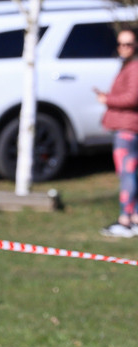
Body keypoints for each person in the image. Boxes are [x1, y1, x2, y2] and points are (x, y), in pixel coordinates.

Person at [96, 27, 138, 238]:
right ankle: (135, 218)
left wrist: (108, 100)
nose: (124, 48)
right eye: (121, 44)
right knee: (132, 174)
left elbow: (132, 97)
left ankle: (125, 220)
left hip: (128, 129)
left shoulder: (135, 67)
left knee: (127, 174)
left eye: (128, 44)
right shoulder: (128, 66)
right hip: (128, 127)